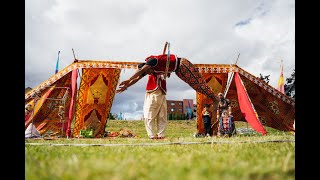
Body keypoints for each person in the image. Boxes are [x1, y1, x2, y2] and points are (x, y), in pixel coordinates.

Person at [116, 63, 168, 139]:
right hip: (152, 93)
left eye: (147, 71)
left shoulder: (158, 66)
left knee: (162, 115)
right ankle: (152, 135)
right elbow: (137, 78)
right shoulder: (149, 72)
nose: (147, 73)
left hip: (162, 93)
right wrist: (126, 86)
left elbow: (168, 69)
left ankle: (161, 135)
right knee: (149, 114)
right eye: (146, 72)